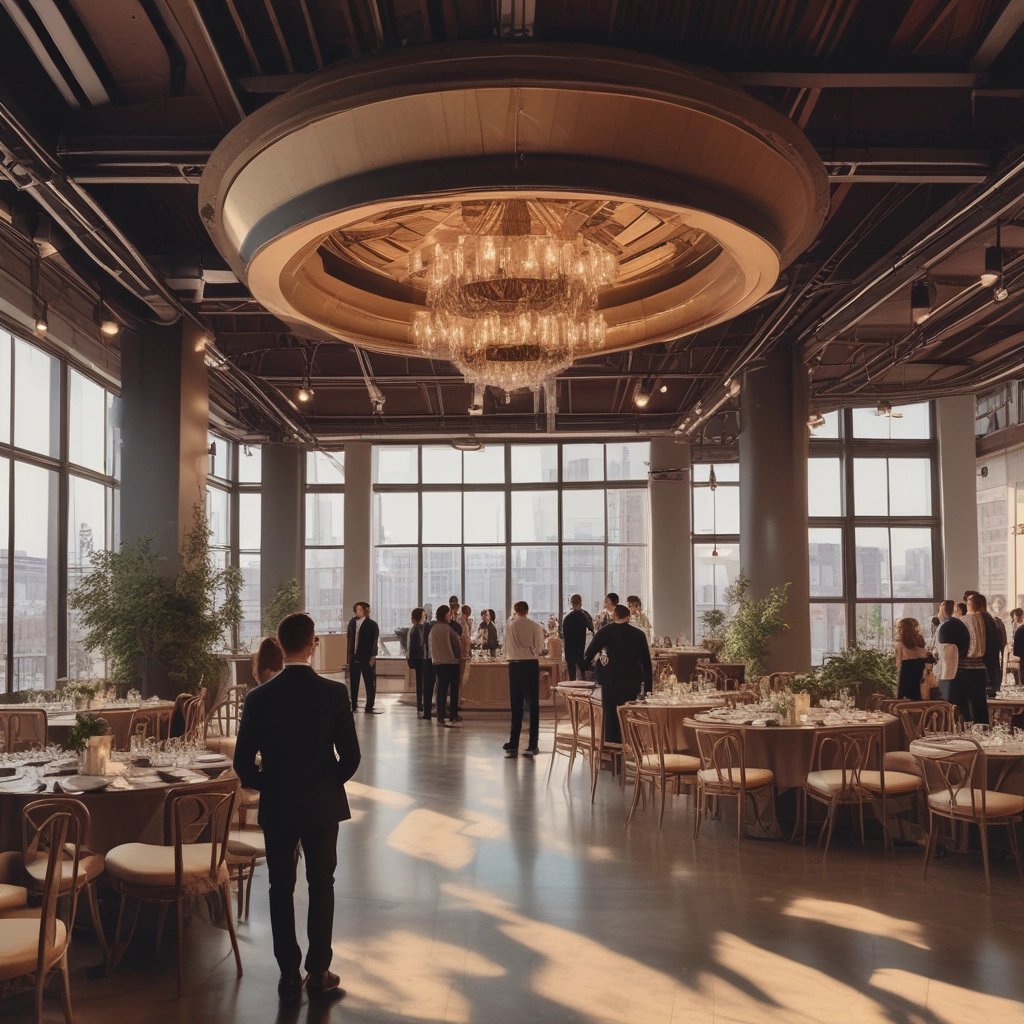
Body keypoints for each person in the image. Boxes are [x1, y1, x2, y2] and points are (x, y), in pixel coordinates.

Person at [233, 612, 360, 1001]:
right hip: (322, 805)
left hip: (279, 805)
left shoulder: (258, 697)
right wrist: (322, 783)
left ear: (279, 642)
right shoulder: (334, 693)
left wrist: (271, 784)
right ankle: (319, 971)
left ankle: (289, 973)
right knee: (322, 885)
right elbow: (351, 758)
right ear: (313, 643)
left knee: (279, 887)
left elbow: (242, 763)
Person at [583, 603, 653, 744]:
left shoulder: (604, 631)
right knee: (628, 712)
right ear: (628, 617)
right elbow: (646, 662)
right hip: (631, 681)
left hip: (609, 680)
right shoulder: (639, 634)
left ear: (614, 616)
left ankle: (611, 745)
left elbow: (588, 653)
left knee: (610, 714)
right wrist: (648, 687)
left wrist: (591, 667)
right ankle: (628, 743)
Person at [502, 601, 547, 758]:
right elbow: (540, 648)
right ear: (527, 611)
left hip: (514, 665)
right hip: (529, 665)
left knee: (516, 704)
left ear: (515, 610)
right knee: (533, 704)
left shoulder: (510, 625)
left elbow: (505, 646)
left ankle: (514, 742)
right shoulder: (534, 625)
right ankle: (532, 744)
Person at [429, 605, 462, 727]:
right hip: (451, 663)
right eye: (449, 614)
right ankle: (453, 715)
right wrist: (457, 657)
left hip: (437, 663)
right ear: (444, 615)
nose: (450, 616)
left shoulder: (433, 629)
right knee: (453, 689)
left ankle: (440, 716)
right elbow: (457, 647)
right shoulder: (449, 629)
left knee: (441, 690)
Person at [346, 601, 381, 714]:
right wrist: (349, 658)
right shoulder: (352, 622)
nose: (358, 611)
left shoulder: (372, 624)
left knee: (370, 683)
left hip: (367, 658)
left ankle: (369, 706)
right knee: (353, 683)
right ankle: (354, 705)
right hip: (354, 657)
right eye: (356, 609)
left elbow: (374, 642)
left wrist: (372, 657)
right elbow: (349, 639)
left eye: (360, 609)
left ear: (366, 611)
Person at [960, 596, 991, 724]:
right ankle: (983, 729)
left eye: (968, 601)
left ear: (971, 604)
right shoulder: (985, 618)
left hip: (967, 667)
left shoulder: (965, 619)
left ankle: (971, 732)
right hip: (981, 666)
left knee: (968, 704)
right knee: (980, 703)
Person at [936, 600, 970, 708]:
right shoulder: (960, 624)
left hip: (947, 672)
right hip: (962, 668)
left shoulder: (944, 626)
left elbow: (942, 652)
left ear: (942, 610)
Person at [969, 592, 1003, 697]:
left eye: (968, 604)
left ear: (973, 605)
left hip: (986, 660)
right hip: (990, 660)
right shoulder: (987, 617)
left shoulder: (980, 618)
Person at [894, 618, 930, 701]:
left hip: (905, 684)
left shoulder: (899, 645)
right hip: (921, 685)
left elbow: (898, 666)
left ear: (900, 630)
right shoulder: (921, 646)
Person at [561, 594, 594, 681]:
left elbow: (561, 634)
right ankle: (583, 691)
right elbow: (592, 629)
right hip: (580, 648)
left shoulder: (566, 616)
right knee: (582, 674)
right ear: (581, 603)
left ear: (570, 602)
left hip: (569, 648)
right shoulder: (585, 615)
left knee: (571, 675)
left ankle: (572, 691)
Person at [407, 608, 427, 716]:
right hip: (420, 659)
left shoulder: (415, 628)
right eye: (424, 615)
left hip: (418, 659)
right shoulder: (418, 628)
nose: (425, 617)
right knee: (421, 683)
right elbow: (417, 646)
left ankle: (421, 705)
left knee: (420, 683)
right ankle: (421, 705)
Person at [421, 613, 436, 720]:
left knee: (427, 688)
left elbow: (423, 645)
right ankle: (437, 712)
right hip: (436, 661)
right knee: (438, 688)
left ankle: (427, 713)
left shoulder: (426, 627)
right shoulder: (434, 628)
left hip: (428, 661)